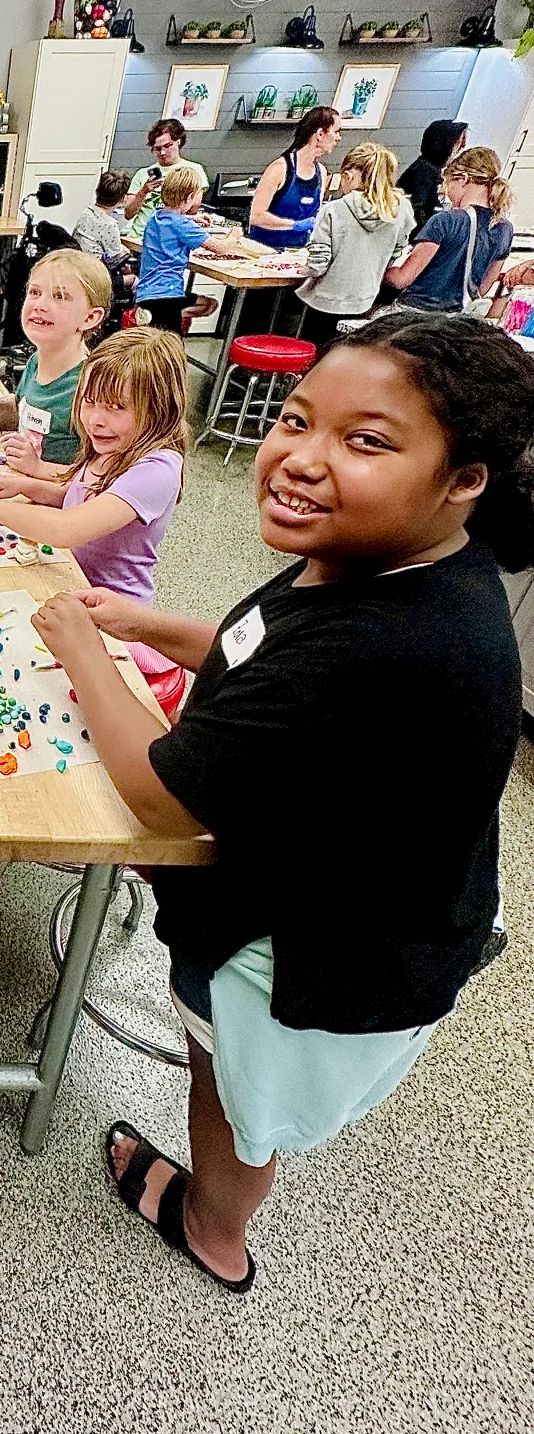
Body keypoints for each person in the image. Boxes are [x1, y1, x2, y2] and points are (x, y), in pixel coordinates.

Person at [30, 312, 531, 1295]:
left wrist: (86, 652)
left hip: (321, 950)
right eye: (297, 420)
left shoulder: (398, 633)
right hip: (315, 892)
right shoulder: (377, 560)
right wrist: (144, 621)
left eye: (367, 441)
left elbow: (162, 797)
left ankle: (215, 1226)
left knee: (231, 1085)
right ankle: (217, 1193)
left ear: (464, 478)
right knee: (217, 1063)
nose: (300, 459)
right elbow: (263, 645)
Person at [0, 328, 190, 719]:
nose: (97, 419)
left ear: (159, 408)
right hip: (71, 583)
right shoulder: (112, 445)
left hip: (113, 617)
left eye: (117, 407)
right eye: (90, 403)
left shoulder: (157, 468)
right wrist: (24, 485)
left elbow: (68, 528)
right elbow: (78, 493)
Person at [0, 251, 110, 466]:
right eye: (35, 292)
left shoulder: (90, 387)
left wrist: (38, 469)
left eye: (59, 297)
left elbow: (99, 476)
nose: (40, 305)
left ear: (90, 317)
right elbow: (22, 417)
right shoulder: (36, 361)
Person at [294, 140, 413, 346]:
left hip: (326, 300)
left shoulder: (334, 209)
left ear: (348, 175)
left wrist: (303, 268)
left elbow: (318, 264)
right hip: (365, 299)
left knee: (314, 355)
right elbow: (396, 253)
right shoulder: (401, 208)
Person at [383, 146, 513, 313]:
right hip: (454, 321)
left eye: (447, 184)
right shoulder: (505, 228)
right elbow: (482, 288)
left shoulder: (445, 220)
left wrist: (380, 272)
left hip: (415, 313)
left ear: (463, 179)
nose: (446, 192)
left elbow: (402, 278)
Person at [134, 165, 243, 333]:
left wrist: (192, 219)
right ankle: (168, 315)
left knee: (208, 304)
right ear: (191, 197)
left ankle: (167, 315)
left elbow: (172, 222)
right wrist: (234, 235)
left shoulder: (155, 218)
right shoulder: (182, 224)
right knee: (169, 350)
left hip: (146, 293)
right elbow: (220, 248)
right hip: (167, 295)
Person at [246, 107, 341, 248]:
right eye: (336, 132)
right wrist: (294, 225)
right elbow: (256, 216)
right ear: (320, 134)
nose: (339, 138)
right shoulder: (279, 169)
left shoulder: (321, 172)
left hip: (298, 253)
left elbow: (315, 214)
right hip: (264, 251)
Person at [122, 121, 209, 241]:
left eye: (167, 146)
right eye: (157, 149)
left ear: (178, 141)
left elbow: (192, 208)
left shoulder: (194, 170)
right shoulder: (143, 173)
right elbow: (128, 214)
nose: (162, 153)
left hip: (171, 238)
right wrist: (143, 192)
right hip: (140, 236)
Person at [398, 119, 468, 237]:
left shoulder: (429, 168)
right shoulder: (425, 170)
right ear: (445, 145)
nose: (461, 149)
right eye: (458, 144)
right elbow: (416, 209)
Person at [71, 171, 133, 269]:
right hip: (95, 270)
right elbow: (117, 257)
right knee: (132, 277)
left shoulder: (86, 213)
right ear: (122, 199)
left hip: (77, 263)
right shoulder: (109, 224)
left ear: (97, 191)